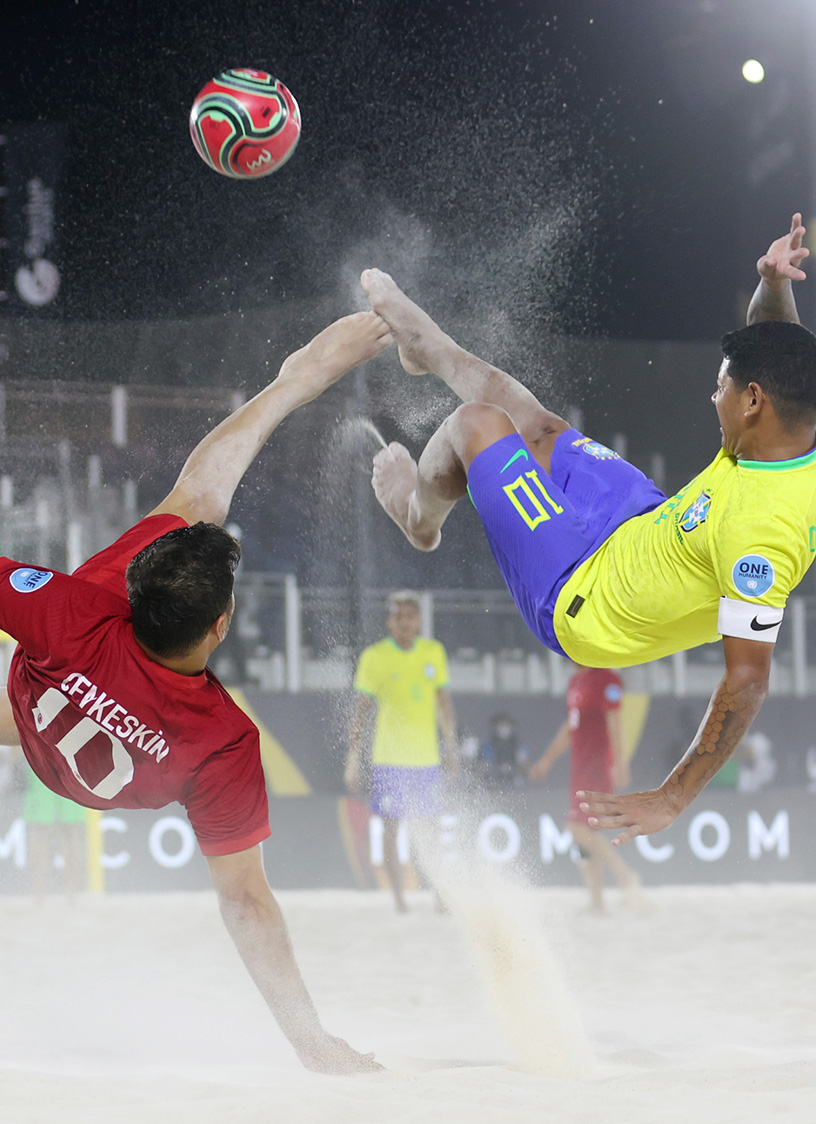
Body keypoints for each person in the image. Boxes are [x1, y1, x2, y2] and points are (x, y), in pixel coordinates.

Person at [0, 309, 393, 1073]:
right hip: (101, 765)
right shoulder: (228, 740)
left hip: (27, 708)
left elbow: (201, 491)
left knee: (195, 503)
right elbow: (245, 903)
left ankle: (293, 384)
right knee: (198, 507)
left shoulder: (81, 609)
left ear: (140, 585)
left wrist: (301, 380)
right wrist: (309, 1042)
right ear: (222, 626)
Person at [358, 212, 816, 847]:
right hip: (645, 528)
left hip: (586, 599)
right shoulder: (786, 430)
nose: (713, 400)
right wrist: (773, 283)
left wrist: (670, 798)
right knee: (538, 424)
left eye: (721, 389)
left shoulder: (763, 534)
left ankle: (417, 518)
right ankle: (428, 349)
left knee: (477, 424)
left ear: (753, 402)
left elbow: (748, 679)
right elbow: (782, 349)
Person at [345, 590, 457, 913]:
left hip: (426, 759)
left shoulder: (434, 652)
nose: (404, 622)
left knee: (432, 832)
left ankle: (440, 896)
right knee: (391, 830)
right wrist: (353, 759)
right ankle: (398, 900)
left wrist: (450, 747)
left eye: (410, 616)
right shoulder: (375, 657)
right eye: (398, 616)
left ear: (419, 620)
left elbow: (443, 704)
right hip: (389, 760)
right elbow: (361, 711)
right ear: (389, 621)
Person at [529, 665, 640, 911]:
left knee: (576, 828)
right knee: (584, 835)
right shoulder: (575, 682)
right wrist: (548, 759)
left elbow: (615, 721)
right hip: (579, 767)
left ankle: (625, 875)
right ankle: (597, 901)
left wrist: (619, 762)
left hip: (598, 766)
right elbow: (571, 726)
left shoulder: (607, 678)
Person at [478, 711, 531, 790]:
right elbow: (484, 767)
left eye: (506, 724)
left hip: (516, 785)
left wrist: (521, 765)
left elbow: (526, 766)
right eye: (501, 725)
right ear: (495, 727)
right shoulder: (487, 747)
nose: (503, 727)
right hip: (494, 784)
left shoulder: (518, 746)